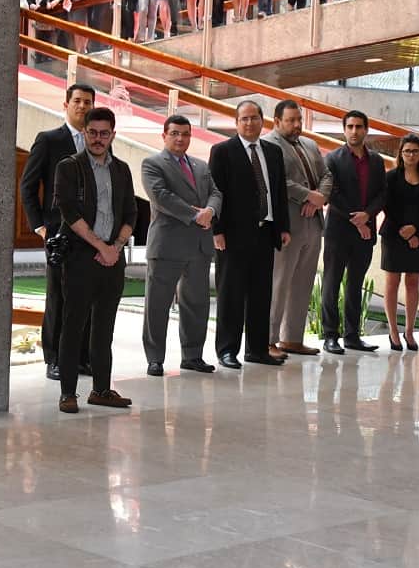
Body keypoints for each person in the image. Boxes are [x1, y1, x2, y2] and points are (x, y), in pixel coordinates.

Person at [53, 107, 136, 411]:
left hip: (113, 259)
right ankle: (68, 393)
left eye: (105, 133)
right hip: (79, 258)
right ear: (84, 132)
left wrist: (115, 246)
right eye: (93, 132)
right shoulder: (69, 167)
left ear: (113, 134)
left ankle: (101, 389)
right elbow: (69, 212)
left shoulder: (122, 169)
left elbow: (130, 213)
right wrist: (101, 247)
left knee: (105, 328)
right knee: (73, 325)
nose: (99, 139)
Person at [19, 84, 95, 381]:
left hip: (92, 233)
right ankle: (53, 358)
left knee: (87, 296)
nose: (82, 106)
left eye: (87, 102)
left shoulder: (98, 141)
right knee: (58, 297)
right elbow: (28, 185)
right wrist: (39, 225)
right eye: (77, 101)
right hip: (58, 231)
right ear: (66, 105)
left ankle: (81, 357)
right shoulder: (49, 140)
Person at [208, 100, 291, 369]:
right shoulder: (222, 151)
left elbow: (279, 192)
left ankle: (256, 349)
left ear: (262, 120)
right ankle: (227, 350)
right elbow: (216, 193)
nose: (249, 123)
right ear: (236, 123)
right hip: (233, 235)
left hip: (266, 233)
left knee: (260, 294)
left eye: (254, 118)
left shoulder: (273, 152)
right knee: (231, 294)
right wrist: (217, 230)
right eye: (244, 119)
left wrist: (283, 227)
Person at [141, 115, 221, 376]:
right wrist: (195, 215)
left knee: (196, 304)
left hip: (199, 246)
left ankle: (193, 356)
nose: (180, 138)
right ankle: (155, 358)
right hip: (167, 245)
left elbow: (216, 193)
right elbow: (161, 197)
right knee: (157, 305)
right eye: (174, 133)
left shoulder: (200, 165)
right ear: (164, 136)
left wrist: (210, 210)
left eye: (185, 134)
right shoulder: (152, 164)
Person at [264, 99, 332, 358]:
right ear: (277, 121)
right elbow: (278, 181)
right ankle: (269, 340)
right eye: (290, 120)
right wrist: (308, 196)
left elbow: (327, 176)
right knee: (279, 282)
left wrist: (318, 199)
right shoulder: (269, 145)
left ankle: (292, 338)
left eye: (299, 120)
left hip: (313, 223)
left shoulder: (311, 145)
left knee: (303, 282)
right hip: (287, 224)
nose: (296, 125)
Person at [321, 110, 385, 354]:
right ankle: (330, 336)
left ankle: (352, 336)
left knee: (355, 284)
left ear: (366, 130)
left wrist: (367, 216)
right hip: (339, 230)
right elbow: (331, 193)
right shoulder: (333, 159)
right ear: (344, 129)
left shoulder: (377, 161)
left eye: (359, 126)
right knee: (331, 282)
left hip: (365, 232)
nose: (354, 131)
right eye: (350, 126)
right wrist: (356, 219)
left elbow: (382, 194)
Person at [380, 134, 419, 351]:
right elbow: (388, 206)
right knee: (392, 282)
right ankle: (393, 331)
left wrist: (415, 231)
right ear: (400, 154)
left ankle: (409, 331)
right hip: (394, 234)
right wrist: (406, 233)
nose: (411, 155)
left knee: (413, 282)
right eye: (407, 151)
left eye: (415, 151)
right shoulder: (391, 177)